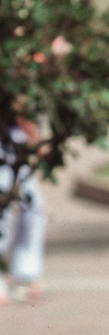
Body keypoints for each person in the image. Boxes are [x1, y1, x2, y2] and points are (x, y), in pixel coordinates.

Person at [1, 118, 47, 305]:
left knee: (33, 207)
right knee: (4, 212)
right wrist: (32, 133)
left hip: (11, 139)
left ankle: (24, 273)